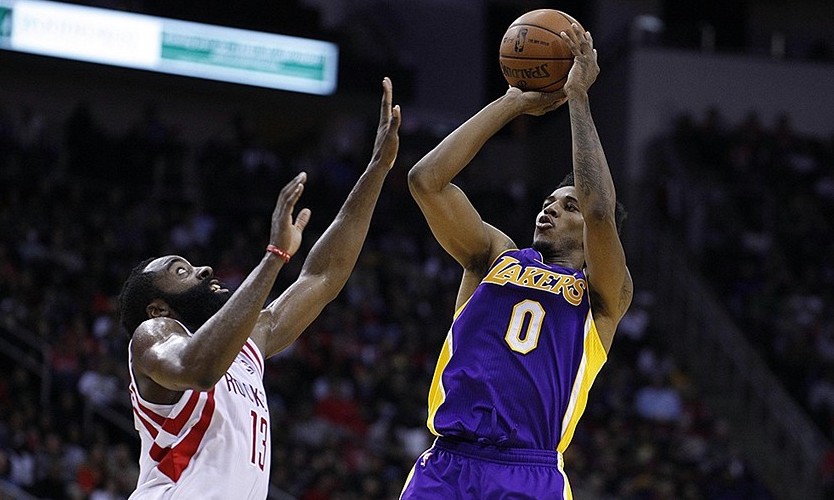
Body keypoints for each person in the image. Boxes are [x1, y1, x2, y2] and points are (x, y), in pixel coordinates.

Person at [118, 78, 401, 499]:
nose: (202, 268)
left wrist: (376, 170)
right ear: (158, 308)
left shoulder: (249, 340)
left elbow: (321, 279)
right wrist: (273, 257)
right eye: (180, 271)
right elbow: (198, 370)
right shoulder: (153, 337)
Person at [401, 25, 632, 499]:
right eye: (548, 200)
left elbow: (600, 210)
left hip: (531, 472)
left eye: (567, 206)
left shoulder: (604, 295)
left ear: (593, 238)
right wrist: (512, 102)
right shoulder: (493, 257)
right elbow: (426, 181)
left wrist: (578, 100)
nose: (549, 208)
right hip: (448, 463)